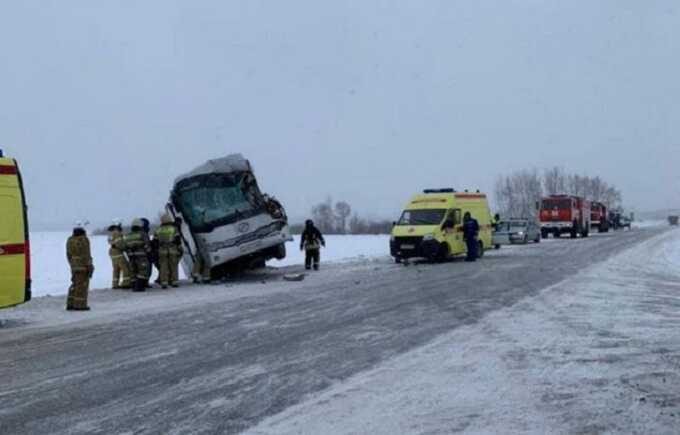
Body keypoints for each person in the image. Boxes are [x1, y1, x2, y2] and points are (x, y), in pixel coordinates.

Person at [66, 222, 94, 311]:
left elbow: (68, 254)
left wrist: (72, 263)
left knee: (74, 284)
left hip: (74, 266)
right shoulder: (84, 239)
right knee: (82, 286)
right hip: (83, 266)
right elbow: (86, 254)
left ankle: (70, 303)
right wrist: (90, 266)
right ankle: (80, 305)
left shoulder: (70, 240)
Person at [153, 213, 183, 289]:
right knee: (173, 266)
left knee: (163, 266)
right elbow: (177, 240)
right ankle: (174, 281)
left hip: (162, 250)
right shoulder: (174, 228)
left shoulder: (158, 230)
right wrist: (179, 248)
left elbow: (155, 241)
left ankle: (164, 282)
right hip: (172, 249)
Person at [125, 218, 151, 292]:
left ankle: (133, 286)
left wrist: (129, 254)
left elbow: (126, 246)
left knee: (133, 271)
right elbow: (147, 245)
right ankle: (139, 287)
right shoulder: (142, 234)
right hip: (141, 256)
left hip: (131, 256)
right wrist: (149, 252)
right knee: (142, 270)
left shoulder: (128, 235)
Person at [108, 219, 131, 289]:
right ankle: (126, 283)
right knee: (125, 267)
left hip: (112, 253)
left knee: (116, 269)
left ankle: (115, 284)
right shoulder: (117, 233)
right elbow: (120, 244)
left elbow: (111, 242)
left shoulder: (111, 233)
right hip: (118, 252)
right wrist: (126, 247)